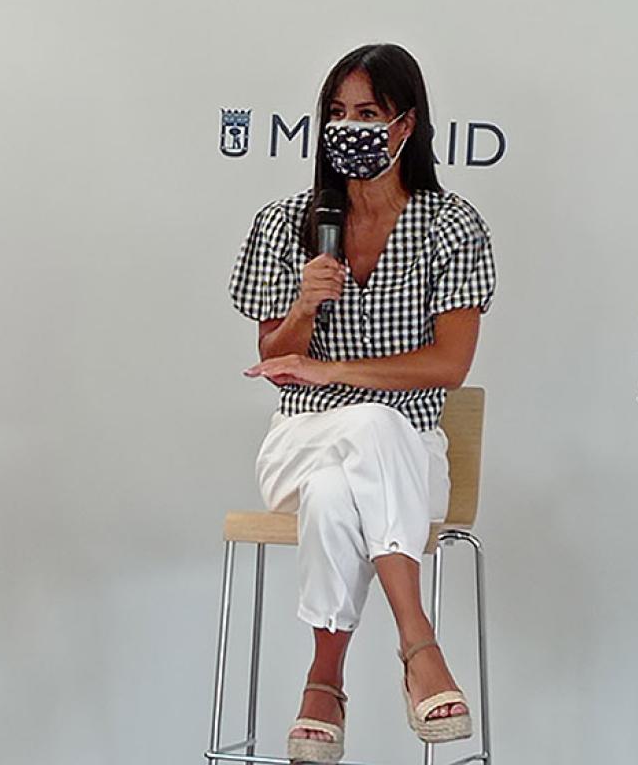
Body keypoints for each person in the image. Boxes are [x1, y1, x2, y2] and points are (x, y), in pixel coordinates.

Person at [230, 43, 495, 764]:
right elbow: (274, 359)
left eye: (368, 113)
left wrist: (337, 370)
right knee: (341, 451)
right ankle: (418, 643)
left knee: (334, 492)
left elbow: (451, 363)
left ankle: (324, 681)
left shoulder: (450, 225)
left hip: (410, 453)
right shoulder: (289, 220)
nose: (349, 127)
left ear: (406, 125)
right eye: (337, 113)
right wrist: (306, 307)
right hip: (298, 440)